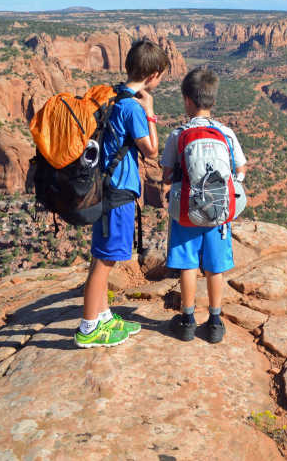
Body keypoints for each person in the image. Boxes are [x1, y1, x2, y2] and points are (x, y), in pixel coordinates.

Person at [74, 39, 170, 348]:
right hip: (117, 191)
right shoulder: (132, 107)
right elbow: (151, 151)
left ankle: (102, 316)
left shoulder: (113, 96)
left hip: (106, 188)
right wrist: (151, 112)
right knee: (104, 261)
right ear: (154, 74)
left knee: (103, 256)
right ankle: (89, 329)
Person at [161, 67, 247, 344]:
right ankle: (215, 321)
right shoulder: (226, 132)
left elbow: (166, 174)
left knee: (187, 264)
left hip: (186, 211)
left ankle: (186, 320)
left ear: (187, 100)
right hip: (218, 210)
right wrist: (236, 180)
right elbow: (241, 167)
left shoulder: (178, 135)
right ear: (213, 100)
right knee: (214, 266)